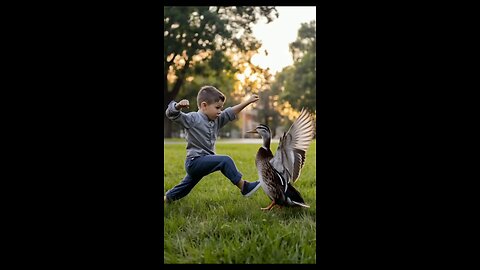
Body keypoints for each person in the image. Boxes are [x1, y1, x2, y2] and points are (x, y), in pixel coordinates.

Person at [164, 85, 261, 204]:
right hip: (195, 161)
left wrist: (248, 101)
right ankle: (244, 187)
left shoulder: (216, 120)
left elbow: (230, 112)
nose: (220, 111)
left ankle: (167, 198)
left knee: (185, 187)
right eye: (217, 108)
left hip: (204, 161)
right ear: (204, 106)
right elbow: (171, 114)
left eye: (221, 108)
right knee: (225, 161)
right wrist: (178, 106)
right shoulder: (193, 118)